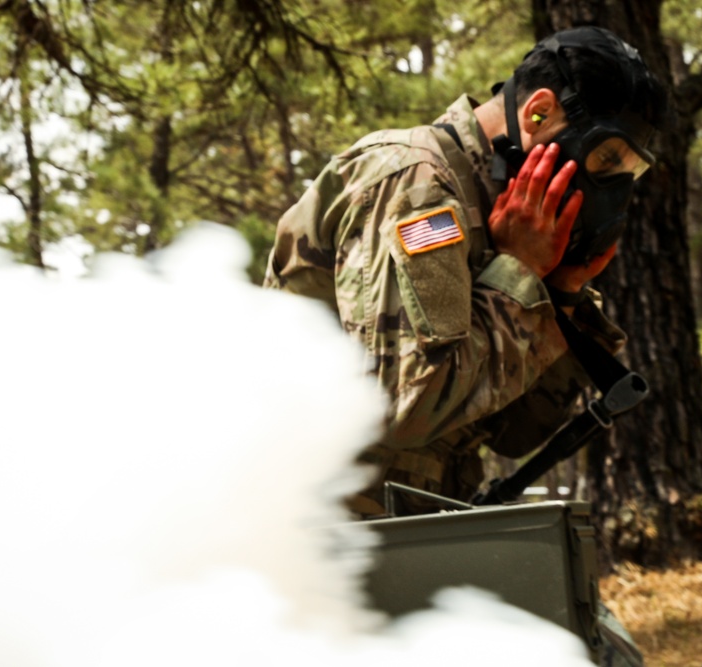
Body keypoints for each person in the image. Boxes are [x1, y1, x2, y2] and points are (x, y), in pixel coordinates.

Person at [265, 26, 667, 667]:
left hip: (422, 531)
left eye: (630, 171)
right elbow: (406, 406)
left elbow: (509, 433)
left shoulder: (499, 207)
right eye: (607, 160)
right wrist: (518, 275)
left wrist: (557, 296)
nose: (615, 187)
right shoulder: (414, 181)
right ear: (538, 114)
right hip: (326, 549)